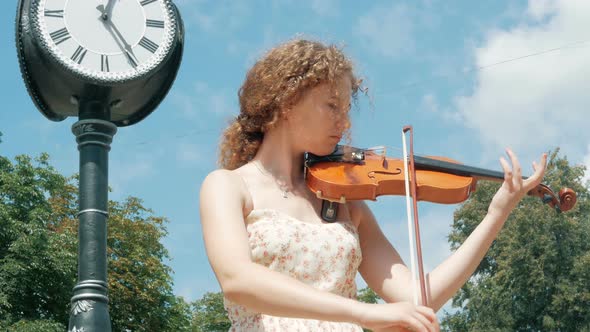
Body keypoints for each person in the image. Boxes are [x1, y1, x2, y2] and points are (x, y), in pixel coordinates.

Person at [199, 38, 547, 332]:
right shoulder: (228, 186)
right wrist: (364, 313)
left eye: (347, 109)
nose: (344, 121)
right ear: (287, 102)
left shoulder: (343, 202)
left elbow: (418, 299)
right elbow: (238, 280)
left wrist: (496, 214)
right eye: (332, 105)